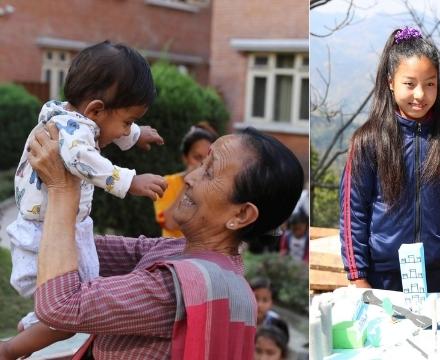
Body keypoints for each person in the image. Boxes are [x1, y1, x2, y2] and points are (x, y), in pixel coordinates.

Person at [0, 124, 304, 359]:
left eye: (209, 172)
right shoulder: (184, 253)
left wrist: (62, 191)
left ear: (240, 215)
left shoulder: (173, 288)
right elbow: (87, 249)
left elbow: (62, 306)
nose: (190, 178)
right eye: (200, 163)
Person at [3, 41, 167, 354]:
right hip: (45, 233)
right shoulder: (75, 139)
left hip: (57, 226)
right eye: (128, 122)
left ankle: (33, 324)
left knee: (77, 307)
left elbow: (102, 126)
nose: (124, 130)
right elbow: (85, 159)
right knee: (73, 312)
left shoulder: (65, 114)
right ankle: (9, 350)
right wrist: (131, 181)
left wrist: (135, 134)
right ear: (94, 110)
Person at [339, 27, 440, 292]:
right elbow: (353, 213)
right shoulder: (368, 141)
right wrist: (358, 276)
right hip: (379, 277)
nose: (420, 95)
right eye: (409, 84)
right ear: (390, 82)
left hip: (436, 277)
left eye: (430, 84)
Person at [154, 122, 218, 238]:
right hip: (170, 251)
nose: (203, 164)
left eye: (208, 158)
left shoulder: (216, 187)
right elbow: (170, 223)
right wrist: (190, 183)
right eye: (197, 157)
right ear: (185, 158)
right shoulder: (166, 183)